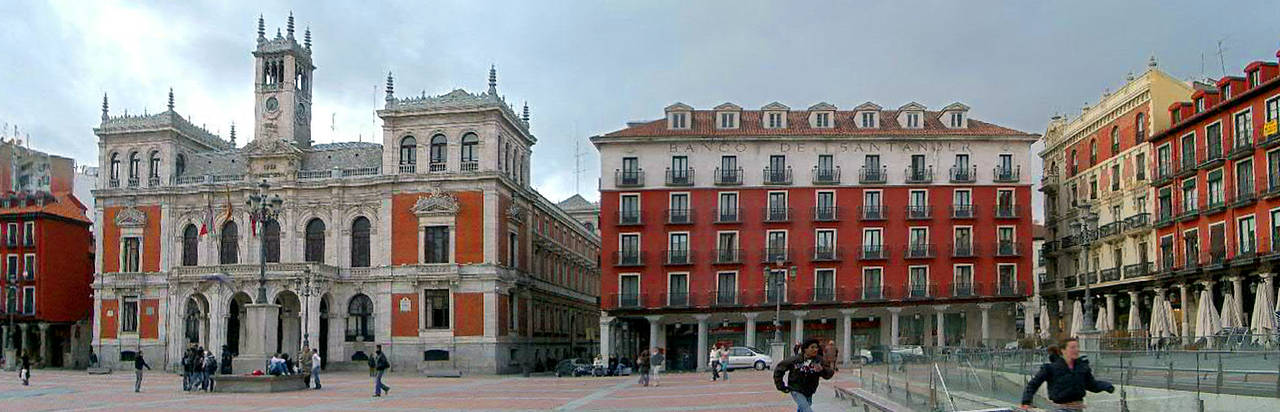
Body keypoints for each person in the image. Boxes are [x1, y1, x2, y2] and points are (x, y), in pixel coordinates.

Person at [1020, 338, 1114, 411]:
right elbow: (1033, 384)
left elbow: (1091, 385)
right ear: (1063, 350)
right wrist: (1026, 401)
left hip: (1078, 407)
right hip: (1060, 408)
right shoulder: (1051, 368)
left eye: (1077, 347)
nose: (1076, 350)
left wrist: (1106, 386)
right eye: (1072, 347)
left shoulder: (1082, 367)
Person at [774, 338, 835, 412]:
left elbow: (829, 374)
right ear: (805, 349)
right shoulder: (795, 360)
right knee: (807, 409)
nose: (815, 350)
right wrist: (781, 385)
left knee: (804, 407)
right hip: (796, 389)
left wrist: (822, 370)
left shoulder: (819, 360)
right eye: (812, 347)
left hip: (809, 390)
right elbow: (779, 369)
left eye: (816, 347)